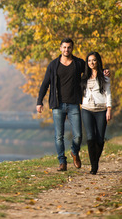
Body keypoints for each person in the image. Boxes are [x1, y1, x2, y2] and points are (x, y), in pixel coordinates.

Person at [36, 38, 85, 171]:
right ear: (60, 48)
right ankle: (62, 162)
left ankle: (74, 152)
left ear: (72, 48)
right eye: (64, 47)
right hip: (57, 105)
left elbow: (93, 69)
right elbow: (45, 84)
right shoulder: (53, 65)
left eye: (69, 47)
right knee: (59, 136)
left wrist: (105, 70)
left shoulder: (79, 63)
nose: (66, 50)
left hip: (74, 103)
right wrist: (39, 102)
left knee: (78, 135)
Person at [80, 52, 112, 175]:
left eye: (93, 60)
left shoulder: (104, 76)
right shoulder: (84, 76)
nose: (91, 63)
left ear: (98, 61)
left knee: (99, 138)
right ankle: (94, 166)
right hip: (87, 109)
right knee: (90, 137)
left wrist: (109, 109)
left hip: (101, 110)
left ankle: (95, 161)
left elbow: (108, 93)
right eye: (89, 61)